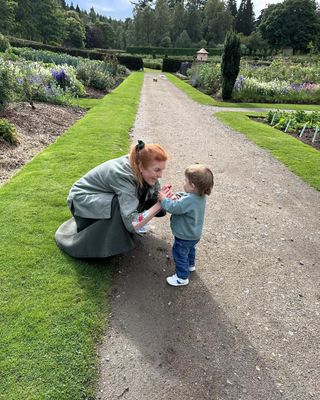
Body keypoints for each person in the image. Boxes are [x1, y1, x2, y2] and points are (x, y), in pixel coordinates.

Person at [55, 140, 169, 258]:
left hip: (98, 197)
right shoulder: (123, 175)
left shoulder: (140, 163)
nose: (160, 175)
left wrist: (165, 196)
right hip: (80, 200)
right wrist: (159, 205)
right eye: (157, 170)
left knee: (137, 195)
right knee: (117, 204)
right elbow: (133, 223)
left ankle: (116, 232)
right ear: (141, 166)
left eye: (162, 170)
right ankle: (93, 246)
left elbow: (155, 192)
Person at [158, 164, 214, 286]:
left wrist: (163, 199)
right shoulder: (200, 197)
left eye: (185, 181)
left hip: (184, 236)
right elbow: (187, 198)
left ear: (193, 186)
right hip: (194, 235)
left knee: (179, 254)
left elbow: (173, 207)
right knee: (189, 250)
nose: (183, 182)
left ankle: (182, 277)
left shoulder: (189, 201)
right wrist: (179, 195)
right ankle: (190, 265)